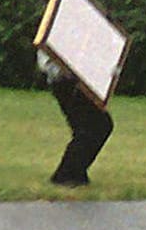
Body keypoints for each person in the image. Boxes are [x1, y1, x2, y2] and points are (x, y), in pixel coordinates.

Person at [38, 50, 113, 187]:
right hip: (67, 80)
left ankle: (75, 173)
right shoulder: (60, 29)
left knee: (94, 126)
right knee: (97, 125)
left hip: (70, 79)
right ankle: (66, 175)